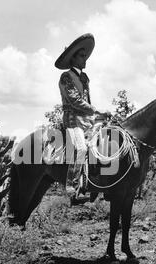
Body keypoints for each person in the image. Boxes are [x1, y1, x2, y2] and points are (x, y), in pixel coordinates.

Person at [55, 33, 109, 202]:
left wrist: (99, 115)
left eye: (85, 56)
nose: (85, 59)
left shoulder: (84, 78)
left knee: (106, 138)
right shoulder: (66, 77)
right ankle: (72, 188)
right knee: (82, 149)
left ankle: (101, 183)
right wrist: (95, 110)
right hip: (72, 120)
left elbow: (87, 101)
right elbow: (75, 100)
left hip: (86, 120)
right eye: (81, 56)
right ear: (73, 59)